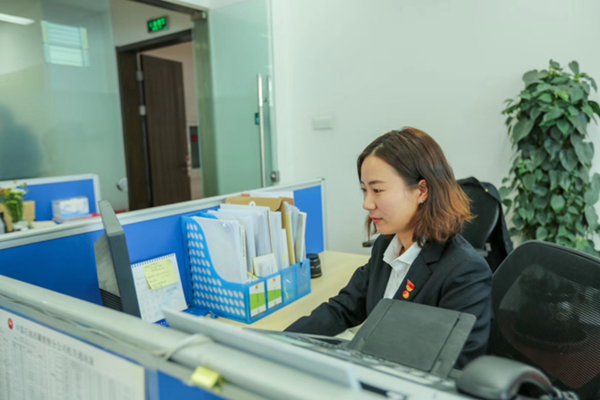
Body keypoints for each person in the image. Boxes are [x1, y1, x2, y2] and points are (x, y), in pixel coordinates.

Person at [286, 127, 493, 369]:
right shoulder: (387, 246)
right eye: (364, 190)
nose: (367, 203)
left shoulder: (465, 272)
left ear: (422, 191)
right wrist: (280, 342)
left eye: (377, 190)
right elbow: (342, 309)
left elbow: (457, 367)